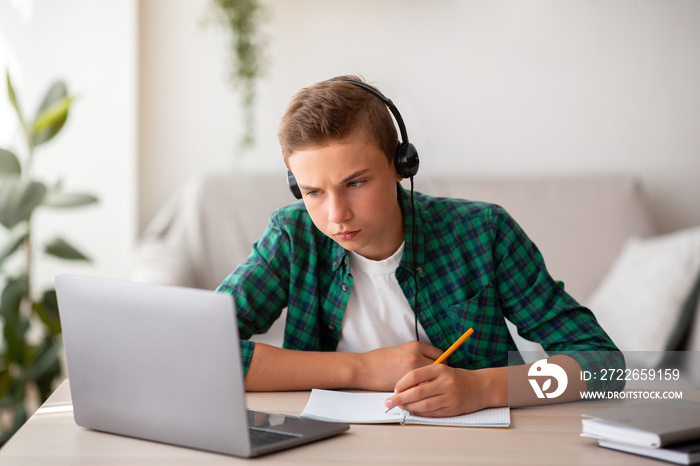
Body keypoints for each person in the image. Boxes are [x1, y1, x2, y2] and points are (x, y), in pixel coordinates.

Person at [216, 75, 624, 417]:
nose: (337, 214)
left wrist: (483, 388)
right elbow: (203, 352)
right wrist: (360, 370)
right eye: (313, 192)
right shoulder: (291, 237)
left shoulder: (484, 232)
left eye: (355, 183)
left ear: (401, 165)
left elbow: (605, 366)